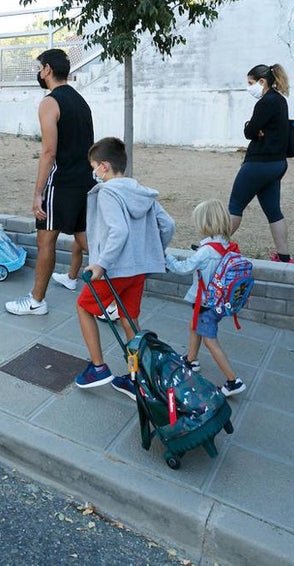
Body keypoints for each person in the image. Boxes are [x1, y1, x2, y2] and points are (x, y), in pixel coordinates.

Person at [73, 137, 175, 398]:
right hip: (138, 270)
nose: (93, 171)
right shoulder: (142, 192)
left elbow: (118, 231)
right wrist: (153, 252)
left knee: (84, 308)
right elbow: (168, 225)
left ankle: (98, 367)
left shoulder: (108, 192)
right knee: (129, 320)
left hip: (114, 269)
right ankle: (137, 377)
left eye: (94, 166)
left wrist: (101, 264)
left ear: (104, 166)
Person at [6, 48, 94, 317]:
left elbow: (48, 151)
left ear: (46, 70)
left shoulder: (49, 102)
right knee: (87, 240)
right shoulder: (80, 101)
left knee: (46, 239)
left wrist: (37, 193)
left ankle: (36, 301)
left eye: (40, 67)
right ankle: (115, 299)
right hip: (84, 181)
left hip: (62, 182)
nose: (39, 72)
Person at [164, 199, 246, 396]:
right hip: (218, 302)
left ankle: (233, 381)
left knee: (210, 339)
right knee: (195, 327)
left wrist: (165, 255)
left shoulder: (207, 251)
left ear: (206, 224)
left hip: (206, 303)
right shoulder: (227, 245)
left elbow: (182, 268)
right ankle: (191, 360)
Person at [228, 63, 292, 262]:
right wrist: (257, 130)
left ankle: (214, 246)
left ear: (262, 81)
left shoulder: (266, 102)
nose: (249, 87)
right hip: (277, 164)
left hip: (258, 164)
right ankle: (283, 256)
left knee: (235, 206)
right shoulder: (281, 101)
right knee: (274, 211)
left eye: (251, 82)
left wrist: (252, 128)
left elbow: (249, 131)